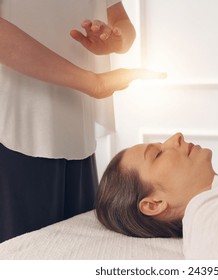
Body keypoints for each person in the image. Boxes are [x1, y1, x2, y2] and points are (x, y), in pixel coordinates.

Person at [0, 0, 165, 243]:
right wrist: (94, 83)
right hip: (15, 128)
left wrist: (116, 40)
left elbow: (120, 20)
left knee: (76, 252)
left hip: (76, 129)